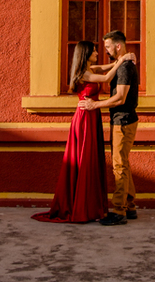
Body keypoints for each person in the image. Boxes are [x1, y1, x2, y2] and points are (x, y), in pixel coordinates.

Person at [32, 41, 134, 224]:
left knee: (91, 159)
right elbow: (106, 78)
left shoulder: (90, 69)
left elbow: (105, 68)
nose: (97, 53)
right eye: (94, 51)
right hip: (85, 118)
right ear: (86, 54)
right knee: (85, 159)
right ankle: (83, 207)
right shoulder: (84, 74)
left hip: (92, 116)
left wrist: (123, 59)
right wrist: (122, 60)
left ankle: (90, 205)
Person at [78, 30, 138, 225]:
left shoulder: (125, 68)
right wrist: (120, 60)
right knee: (123, 163)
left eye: (107, 47)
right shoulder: (121, 64)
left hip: (123, 121)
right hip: (121, 120)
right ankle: (130, 206)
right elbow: (101, 70)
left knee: (119, 166)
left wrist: (95, 105)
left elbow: (120, 98)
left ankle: (119, 211)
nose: (104, 51)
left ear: (118, 46)